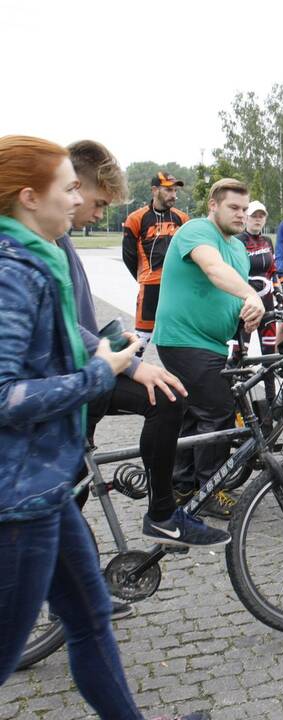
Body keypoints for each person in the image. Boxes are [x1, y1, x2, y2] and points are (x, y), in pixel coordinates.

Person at [0, 134, 208, 720]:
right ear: (28, 197)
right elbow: (4, 394)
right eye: (67, 189)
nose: (78, 202)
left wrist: (113, 354)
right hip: (17, 502)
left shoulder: (37, 259)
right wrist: (102, 373)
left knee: (90, 621)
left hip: (44, 490)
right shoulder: (12, 273)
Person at [62, 140, 225, 550]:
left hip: (90, 364)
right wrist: (131, 364)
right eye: (98, 203)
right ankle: (161, 514)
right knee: (67, 494)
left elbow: (73, 320)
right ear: (73, 186)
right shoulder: (43, 241)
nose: (100, 213)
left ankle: (157, 516)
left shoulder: (59, 238)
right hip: (75, 374)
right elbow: (61, 325)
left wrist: (111, 343)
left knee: (69, 493)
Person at [153, 178, 263, 520]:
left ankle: (181, 484)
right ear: (213, 205)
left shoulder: (240, 249)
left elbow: (228, 295)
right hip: (184, 339)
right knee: (217, 411)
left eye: (245, 209)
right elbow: (214, 271)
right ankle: (209, 490)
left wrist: (247, 317)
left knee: (192, 413)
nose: (241, 215)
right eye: (234, 208)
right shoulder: (196, 231)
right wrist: (250, 295)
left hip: (214, 343)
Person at [122, 170, 189, 351]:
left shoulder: (182, 218)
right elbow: (128, 256)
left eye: (175, 191)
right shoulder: (136, 218)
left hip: (177, 287)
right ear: (154, 190)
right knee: (142, 339)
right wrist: (143, 276)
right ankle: (128, 371)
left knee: (180, 337)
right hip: (150, 286)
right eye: (168, 190)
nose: (173, 195)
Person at [236, 200, 278, 354]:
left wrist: (280, 296)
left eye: (261, 216)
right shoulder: (238, 241)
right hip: (246, 301)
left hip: (267, 301)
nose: (258, 219)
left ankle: (269, 379)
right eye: (254, 216)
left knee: (269, 350)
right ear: (246, 217)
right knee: (240, 351)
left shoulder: (267, 241)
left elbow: (273, 271)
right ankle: (235, 376)